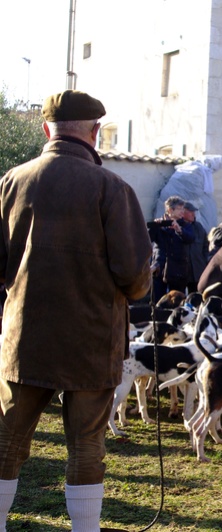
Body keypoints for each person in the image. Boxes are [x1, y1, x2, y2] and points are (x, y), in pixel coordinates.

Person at [0, 89, 152, 531]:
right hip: (91, 341)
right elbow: (133, 277)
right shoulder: (112, 188)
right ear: (95, 131)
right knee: (86, 446)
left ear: (47, 130)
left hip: (24, 338)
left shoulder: (11, 182)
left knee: (7, 441)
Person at [149, 195, 194, 299]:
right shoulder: (159, 224)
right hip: (160, 268)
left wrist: (179, 230)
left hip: (178, 270)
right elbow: (147, 240)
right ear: (170, 210)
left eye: (183, 208)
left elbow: (190, 239)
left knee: (177, 299)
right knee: (158, 300)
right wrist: (155, 227)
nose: (182, 211)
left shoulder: (186, 225)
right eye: (179, 209)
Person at [183, 201, 209, 293]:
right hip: (183, 271)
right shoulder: (178, 226)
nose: (193, 214)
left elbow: (205, 245)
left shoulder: (198, 227)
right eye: (190, 211)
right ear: (183, 212)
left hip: (198, 269)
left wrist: (205, 260)